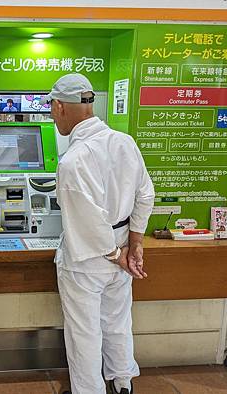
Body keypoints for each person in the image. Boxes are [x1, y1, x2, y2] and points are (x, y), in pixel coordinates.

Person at [43, 74, 155, 394]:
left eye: (52, 107)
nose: (52, 114)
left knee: (84, 333)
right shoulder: (124, 141)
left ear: (61, 106)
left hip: (89, 260)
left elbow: (88, 221)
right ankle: (122, 384)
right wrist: (134, 245)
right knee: (118, 322)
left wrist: (116, 255)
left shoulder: (73, 160)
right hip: (121, 248)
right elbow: (145, 194)